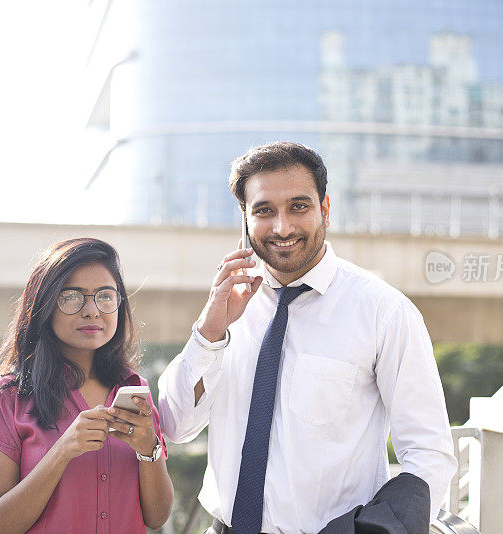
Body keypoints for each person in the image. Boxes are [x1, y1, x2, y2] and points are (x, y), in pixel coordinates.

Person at [158, 142, 457, 534]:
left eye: (299, 206)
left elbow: (428, 455)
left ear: (325, 210)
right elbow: (175, 426)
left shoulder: (385, 311)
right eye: (264, 210)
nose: (282, 227)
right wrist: (209, 333)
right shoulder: (227, 306)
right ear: (245, 219)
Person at [0, 238, 173, 533]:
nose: (92, 310)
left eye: (105, 296)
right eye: (71, 297)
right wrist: (63, 449)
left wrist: (148, 448)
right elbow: (1, 525)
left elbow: (156, 518)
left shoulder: (134, 389)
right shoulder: (5, 397)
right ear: (44, 305)